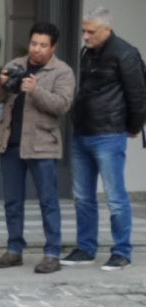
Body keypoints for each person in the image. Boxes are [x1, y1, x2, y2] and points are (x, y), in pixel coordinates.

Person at [0, 23, 75, 274]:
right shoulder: (15, 64)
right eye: (34, 43)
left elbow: (61, 105)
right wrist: (1, 83)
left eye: (43, 45)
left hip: (42, 145)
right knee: (12, 202)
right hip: (10, 144)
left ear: (53, 47)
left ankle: (52, 253)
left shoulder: (62, 72)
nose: (36, 49)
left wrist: (36, 91)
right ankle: (14, 250)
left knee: (48, 201)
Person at [66, 6, 146, 271]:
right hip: (82, 133)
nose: (85, 36)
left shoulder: (125, 53)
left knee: (115, 197)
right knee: (82, 197)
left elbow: (138, 95)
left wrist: (133, 127)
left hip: (109, 134)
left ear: (107, 29)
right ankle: (85, 248)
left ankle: (122, 251)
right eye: (84, 31)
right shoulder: (87, 52)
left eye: (91, 31)